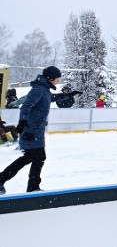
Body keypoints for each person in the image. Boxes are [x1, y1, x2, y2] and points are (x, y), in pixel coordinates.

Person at [0, 66, 66, 194]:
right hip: (31, 130)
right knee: (38, 157)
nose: (58, 81)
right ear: (50, 78)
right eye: (57, 78)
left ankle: (6, 180)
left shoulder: (44, 90)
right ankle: (32, 187)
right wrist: (22, 121)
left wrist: (67, 95)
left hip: (36, 130)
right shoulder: (39, 90)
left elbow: (50, 98)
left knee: (30, 157)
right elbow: (26, 106)